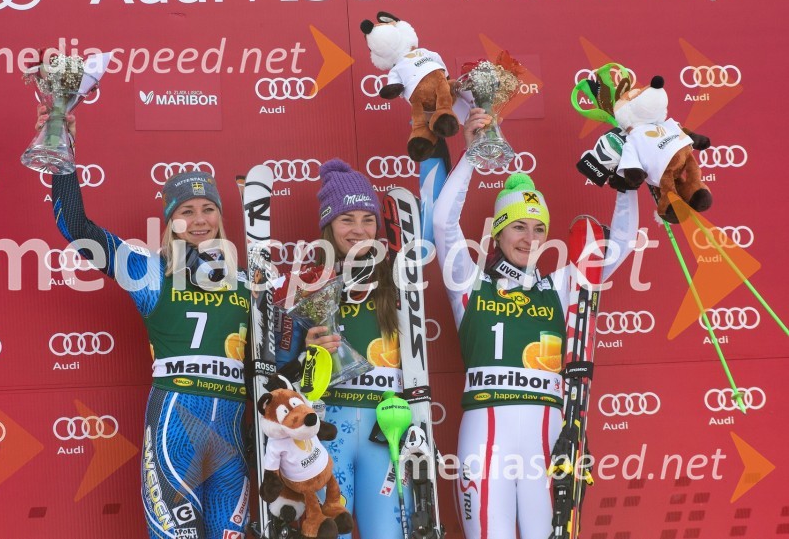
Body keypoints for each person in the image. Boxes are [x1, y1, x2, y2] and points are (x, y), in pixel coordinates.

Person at [36, 108, 252, 539]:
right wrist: (63, 150)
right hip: (175, 428)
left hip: (233, 432)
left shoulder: (246, 282)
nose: (199, 220)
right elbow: (77, 228)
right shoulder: (149, 272)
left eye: (208, 208)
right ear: (171, 219)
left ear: (221, 216)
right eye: (186, 210)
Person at [433, 108, 639, 539]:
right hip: (485, 440)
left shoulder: (560, 287)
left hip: (549, 439)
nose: (530, 238)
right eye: (519, 227)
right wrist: (473, 155)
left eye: (539, 228)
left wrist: (627, 183)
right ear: (499, 231)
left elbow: (619, 244)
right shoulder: (468, 282)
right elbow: (442, 222)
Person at [275, 158, 412, 539]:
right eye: (346, 219)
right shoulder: (305, 285)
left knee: (389, 534)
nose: (359, 229)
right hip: (326, 428)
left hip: (385, 432)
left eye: (367, 219)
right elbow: (279, 379)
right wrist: (308, 354)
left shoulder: (398, 278)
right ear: (328, 225)